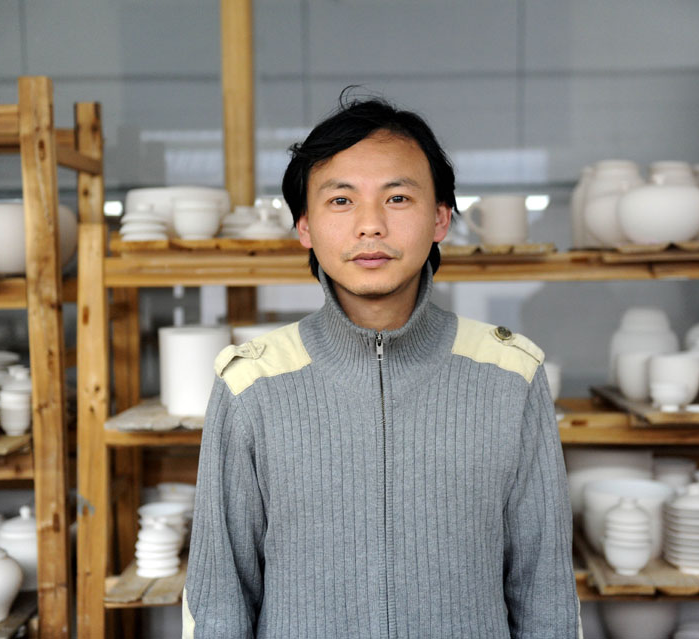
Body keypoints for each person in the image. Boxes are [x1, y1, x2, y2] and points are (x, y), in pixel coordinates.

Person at [183, 94, 580, 638]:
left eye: (397, 197)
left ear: (440, 218)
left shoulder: (510, 375)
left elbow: (546, 597)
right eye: (341, 201)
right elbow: (220, 601)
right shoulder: (251, 383)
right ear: (305, 227)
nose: (370, 225)